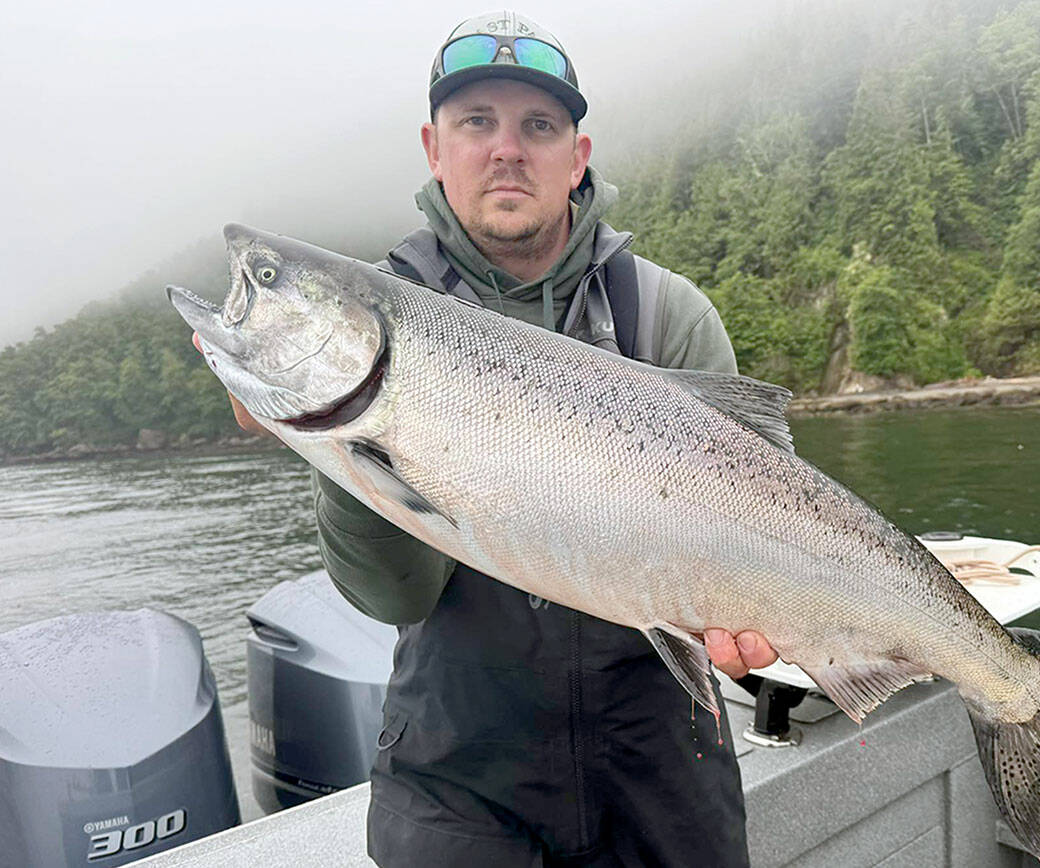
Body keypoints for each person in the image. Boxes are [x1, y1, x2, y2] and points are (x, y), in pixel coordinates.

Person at [205, 11, 778, 866]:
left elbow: (767, 508)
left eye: (538, 126)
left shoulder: (665, 314)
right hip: (460, 779)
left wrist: (757, 616)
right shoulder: (387, 307)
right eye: (477, 122)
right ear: (434, 149)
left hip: (665, 763)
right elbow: (395, 597)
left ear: (577, 157)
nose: (507, 149)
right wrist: (342, 442)